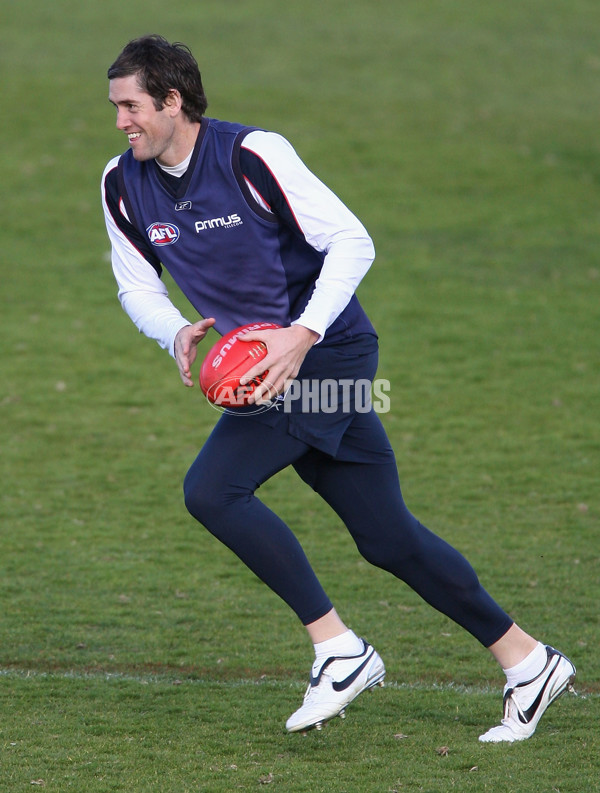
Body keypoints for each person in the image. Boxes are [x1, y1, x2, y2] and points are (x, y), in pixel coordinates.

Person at [101, 34, 576, 741]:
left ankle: (339, 647)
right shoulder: (121, 182)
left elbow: (353, 240)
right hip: (273, 364)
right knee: (389, 537)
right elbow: (134, 281)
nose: (121, 122)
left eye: (132, 105)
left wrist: (303, 333)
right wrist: (172, 331)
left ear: (173, 101)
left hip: (329, 355)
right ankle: (528, 660)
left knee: (213, 489)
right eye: (115, 108)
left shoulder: (253, 155)